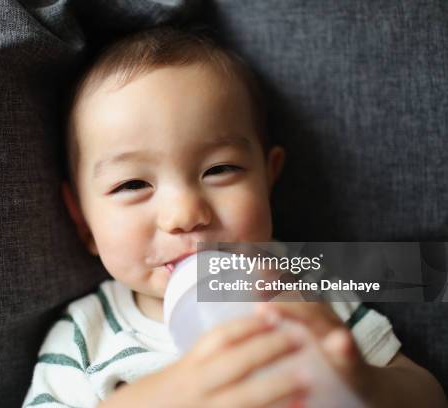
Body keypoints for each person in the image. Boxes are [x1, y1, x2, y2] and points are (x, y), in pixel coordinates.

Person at [23, 26, 446, 407]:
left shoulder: (302, 284)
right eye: (132, 185)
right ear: (83, 222)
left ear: (268, 178)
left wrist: (367, 385)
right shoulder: (85, 338)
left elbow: (426, 392)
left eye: (219, 170)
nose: (185, 214)